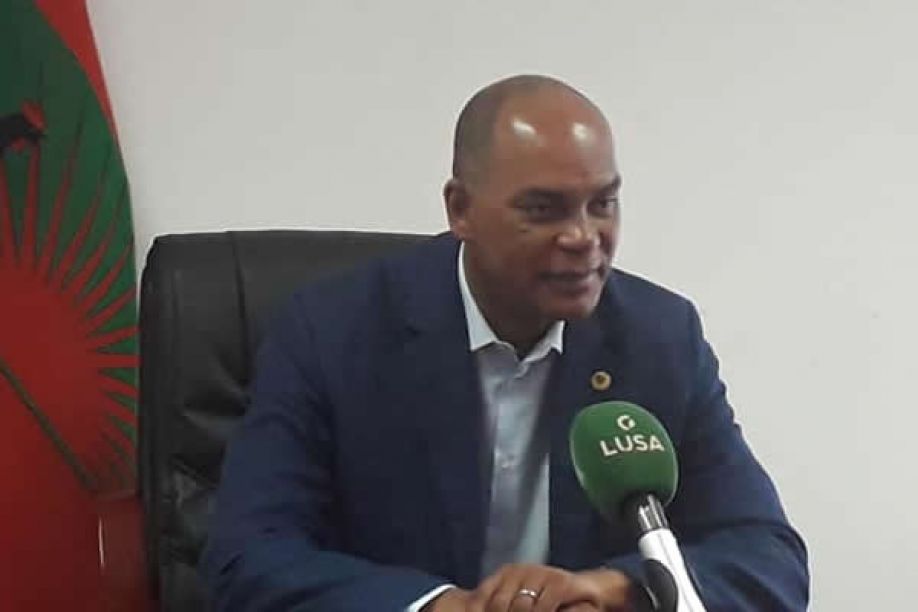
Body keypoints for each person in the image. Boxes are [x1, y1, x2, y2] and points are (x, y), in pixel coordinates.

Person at [202, 75, 809, 611]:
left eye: (603, 204)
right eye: (544, 210)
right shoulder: (330, 331)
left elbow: (767, 557)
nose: (584, 237)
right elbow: (247, 558)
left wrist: (611, 589)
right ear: (460, 209)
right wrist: (440, 607)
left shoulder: (661, 339)